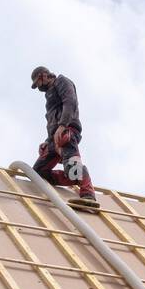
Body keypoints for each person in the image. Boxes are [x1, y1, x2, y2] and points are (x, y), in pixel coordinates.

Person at [30, 66, 97, 204]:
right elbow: (51, 121)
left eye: (38, 83)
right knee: (38, 172)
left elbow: (69, 103)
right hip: (54, 137)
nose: (38, 88)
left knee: (73, 166)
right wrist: (47, 141)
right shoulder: (49, 95)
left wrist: (63, 125)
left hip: (66, 130)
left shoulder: (62, 81)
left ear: (44, 76)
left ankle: (88, 194)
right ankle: (72, 177)